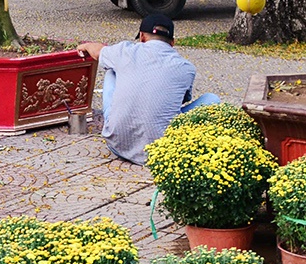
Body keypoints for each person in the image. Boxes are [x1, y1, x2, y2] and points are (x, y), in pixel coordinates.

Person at [77, 14, 221, 164]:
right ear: (172, 43)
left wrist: (85, 46)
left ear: (142, 37)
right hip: (161, 150)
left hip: (117, 144)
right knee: (213, 99)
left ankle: (117, 125)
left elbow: (98, 52)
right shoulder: (186, 68)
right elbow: (182, 100)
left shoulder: (125, 51)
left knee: (111, 70)